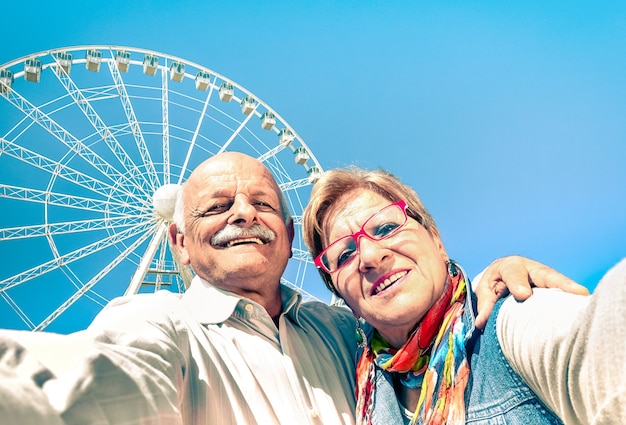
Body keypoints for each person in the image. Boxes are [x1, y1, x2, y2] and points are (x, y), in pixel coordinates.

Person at [0, 153, 588, 425]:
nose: (242, 215)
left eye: (262, 204)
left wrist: (502, 276)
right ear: (178, 242)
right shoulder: (158, 324)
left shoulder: (355, 335)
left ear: (285, 241)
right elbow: (101, 383)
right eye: (216, 207)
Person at [301, 165, 617, 424]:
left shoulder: (509, 320)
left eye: (385, 228)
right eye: (344, 256)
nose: (369, 256)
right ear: (342, 298)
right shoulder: (358, 389)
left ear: (436, 240)